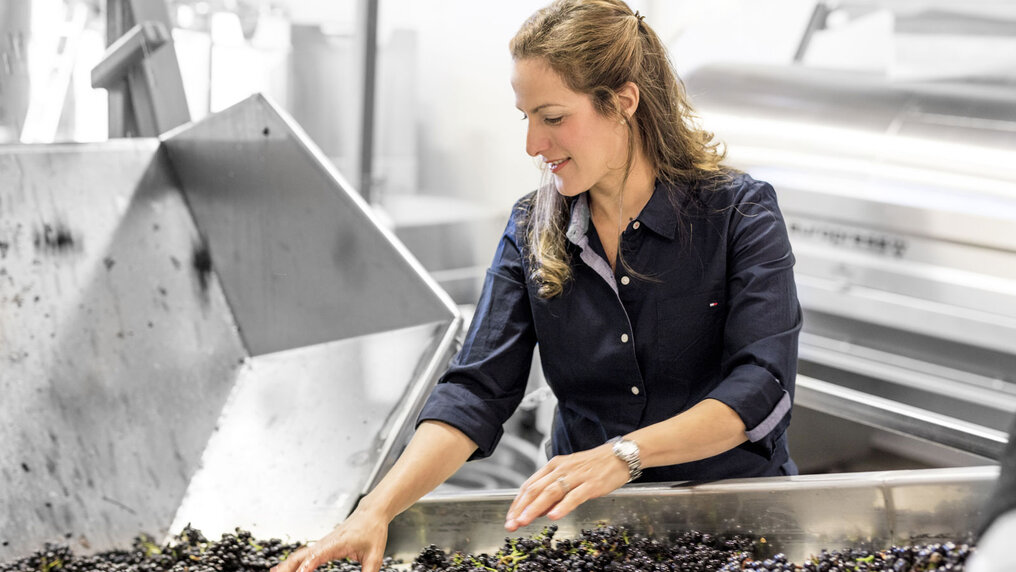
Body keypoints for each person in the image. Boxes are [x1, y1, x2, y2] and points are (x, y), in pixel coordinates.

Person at [273, 1, 801, 571]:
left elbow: (761, 385)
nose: (532, 144)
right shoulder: (532, 226)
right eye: (524, 116)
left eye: (552, 117)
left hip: (735, 523)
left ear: (623, 102)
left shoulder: (738, 212)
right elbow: (477, 389)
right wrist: (373, 510)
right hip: (590, 535)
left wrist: (625, 455)